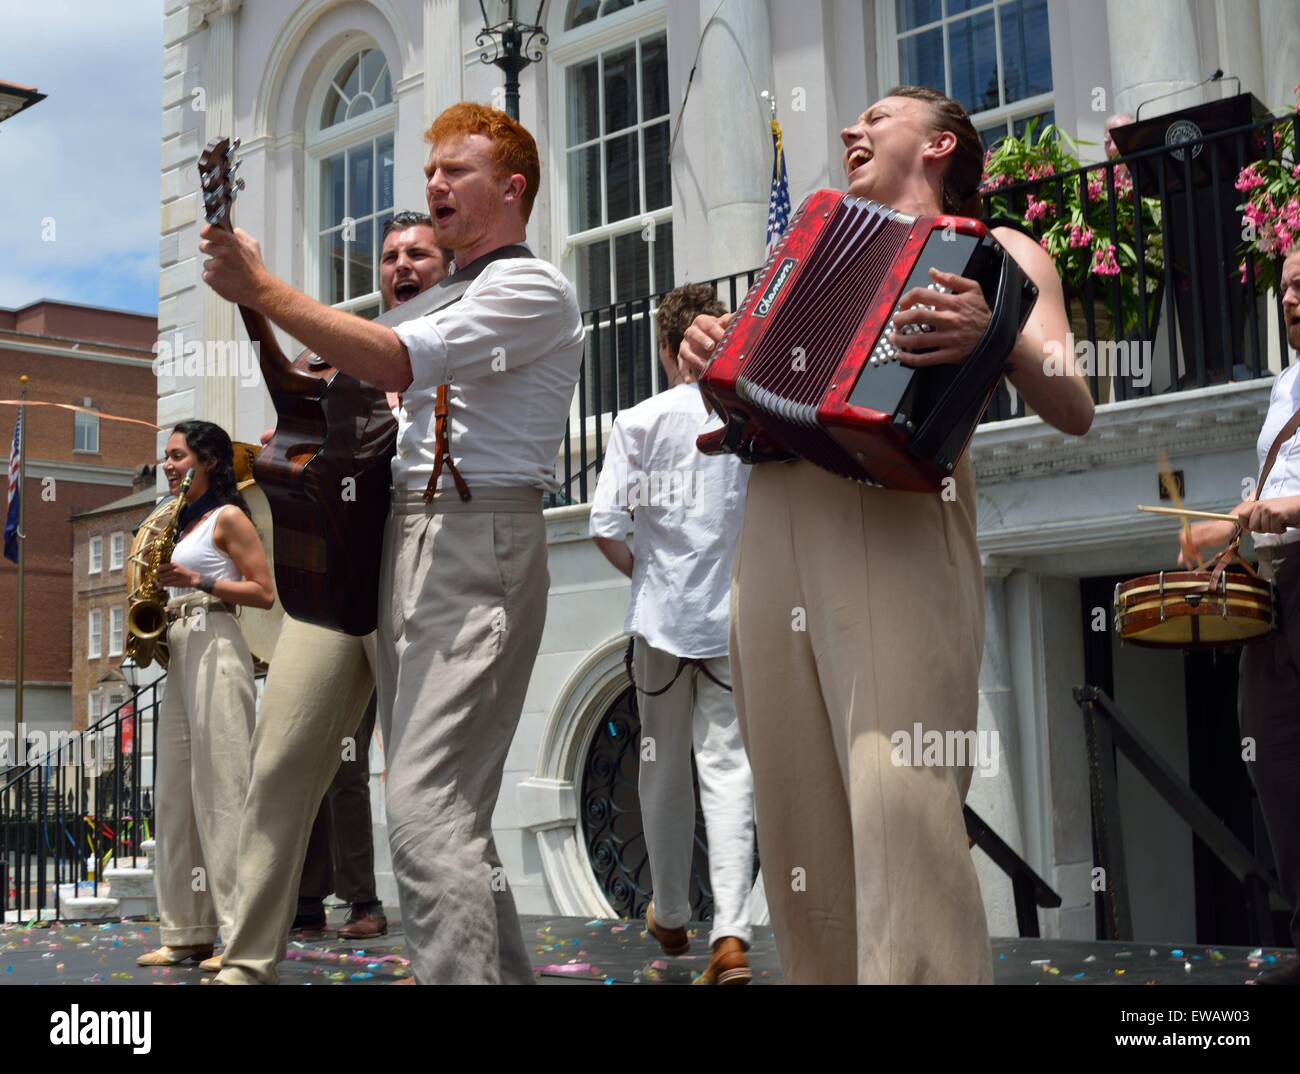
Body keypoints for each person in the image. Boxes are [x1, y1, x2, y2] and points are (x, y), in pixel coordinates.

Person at [679, 85, 1094, 984]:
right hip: (774, 518)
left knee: (897, 803)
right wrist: (708, 353)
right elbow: (753, 370)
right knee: (798, 816)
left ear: (941, 142)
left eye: (875, 117)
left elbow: (1076, 403)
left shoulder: (1005, 249)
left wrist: (1000, 338)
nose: (848, 131)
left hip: (900, 512)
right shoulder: (814, 249)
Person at [201, 102, 584, 984]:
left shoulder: (532, 287)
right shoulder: (453, 292)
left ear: (512, 188)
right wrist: (260, 309)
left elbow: (398, 362)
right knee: (444, 811)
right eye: (431, 172)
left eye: (457, 171)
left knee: (424, 812)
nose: (435, 184)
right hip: (405, 536)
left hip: (478, 532)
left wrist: (264, 289)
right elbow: (340, 381)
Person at [214, 212, 449, 983]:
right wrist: (252, 303)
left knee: (424, 779)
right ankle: (247, 958)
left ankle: (440, 954)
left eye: (419, 253)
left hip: (422, 573)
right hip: (335, 586)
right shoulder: (343, 351)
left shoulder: (467, 336)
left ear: (447, 265)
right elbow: (289, 390)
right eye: (389, 256)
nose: (401, 265)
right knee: (279, 759)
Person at [589, 283, 756, 986]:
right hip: (732, 620)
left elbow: (603, 525)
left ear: (668, 349)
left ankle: (674, 910)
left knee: (660, 766)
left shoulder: (639, 419)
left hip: (662, 621)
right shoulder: (748, 418)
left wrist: (646, 573)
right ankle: (733, 935)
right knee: (728, 768)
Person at [1179, 242, 1300, 985]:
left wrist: (1276, 512)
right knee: (1272, 753)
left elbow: (1283, 500)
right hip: (1279, 588)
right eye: (1285, 288)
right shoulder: (1284, 386)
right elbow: (1269, 489)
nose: (1291, 299)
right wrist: (1224, 529)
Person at [136, 421, 275, 970]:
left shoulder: (229, 517)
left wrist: (198, 581)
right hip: (179, 647)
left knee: (224, 790)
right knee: (174, 794)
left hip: (216, 638)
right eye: (166, 457)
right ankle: (187, 930)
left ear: (209, 460)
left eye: (177, 456)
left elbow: (263, 593)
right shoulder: (176, 522)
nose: (168, 466)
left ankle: (240, 934)